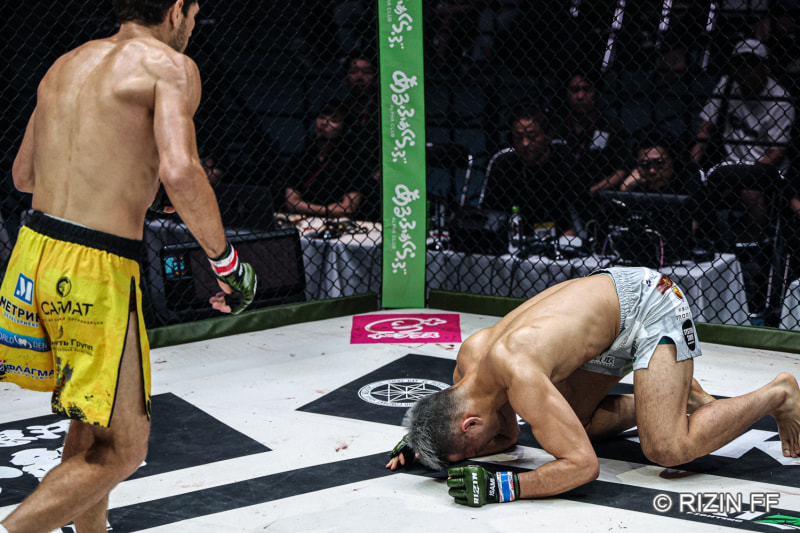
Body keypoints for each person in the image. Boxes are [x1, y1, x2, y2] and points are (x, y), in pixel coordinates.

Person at [1, 1, 256, 531]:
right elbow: (182, 172)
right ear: (177, 10)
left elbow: (24, 175)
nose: (193, 25)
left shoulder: (65, 64)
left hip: (33, 252)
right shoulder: (169, 65)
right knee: (125, 447)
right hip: (94, 267)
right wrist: (226, 262)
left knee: (92, 423)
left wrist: (122, 175)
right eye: (194, 13)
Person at [386, 267, 800, 506]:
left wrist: (503, 486)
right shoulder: (469, 363)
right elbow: (507, 435)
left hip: (650, 304)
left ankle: (777, 394)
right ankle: (669, 395)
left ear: (470, 423)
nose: (481, 454)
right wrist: (426, 443)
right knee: (575, 426)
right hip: (607, 322)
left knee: (667, 449)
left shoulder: (519, 374)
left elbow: (583, 466)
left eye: (473, 450)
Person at [690, 38, 795, 171]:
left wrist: (750, 175)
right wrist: (692, 165)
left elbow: (776, 152)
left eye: (752, 63)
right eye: (739, 63)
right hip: (731, 165)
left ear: (765, 67)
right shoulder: (727, 85)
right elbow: (705, 128)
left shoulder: (781, 100)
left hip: (766, 169)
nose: (745, 69)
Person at [481, 106, 580, 238]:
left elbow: (581, 208)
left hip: (562, 237)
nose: (525, 143)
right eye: (518, 137)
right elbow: (490, 214)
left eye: (532, 136)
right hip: (515, 237)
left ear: (548, 135)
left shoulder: (563, 161)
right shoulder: (504, 164)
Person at [283, 101, 375, 218]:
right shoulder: (302, 159)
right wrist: (327, 210)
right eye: (321, 117)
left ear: (343, 127)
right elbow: (291, 202)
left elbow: (347, 208)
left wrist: (305, 206)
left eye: (334, 120)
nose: (324, 123)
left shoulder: (353, 162)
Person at [555, 72, 632, 195]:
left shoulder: (611, 127)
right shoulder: (556, 125)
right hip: (559, 193)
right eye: (574, 90)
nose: (580, 96)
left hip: (598, 195)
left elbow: (622, 169)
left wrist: (593, 191)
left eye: (586, 90)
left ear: (596, 93)